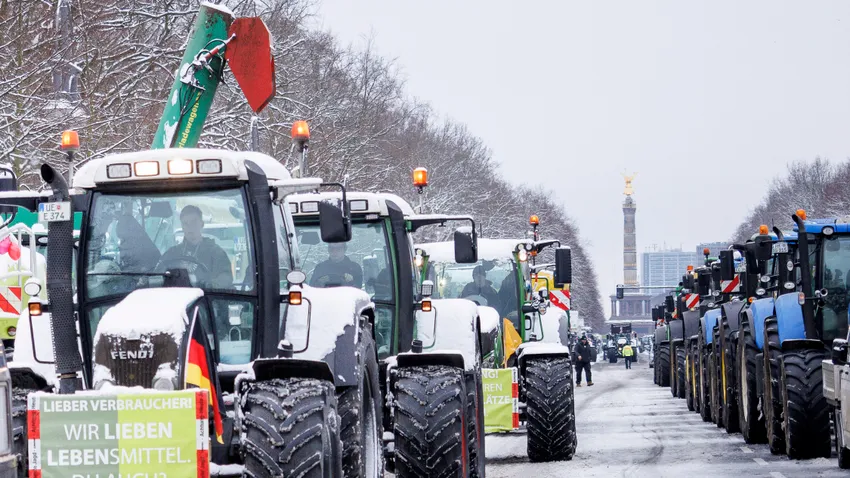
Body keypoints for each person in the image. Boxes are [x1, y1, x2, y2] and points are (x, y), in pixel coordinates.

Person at [159, 205, 233, 289]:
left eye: (194, 222)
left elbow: (225, 279)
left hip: (206, 299)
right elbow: (157, 275)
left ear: (201, 224)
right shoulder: (172, 254)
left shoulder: (216, 253)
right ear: (182, 227)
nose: (190, 227)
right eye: (185, 223)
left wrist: (208, 285)